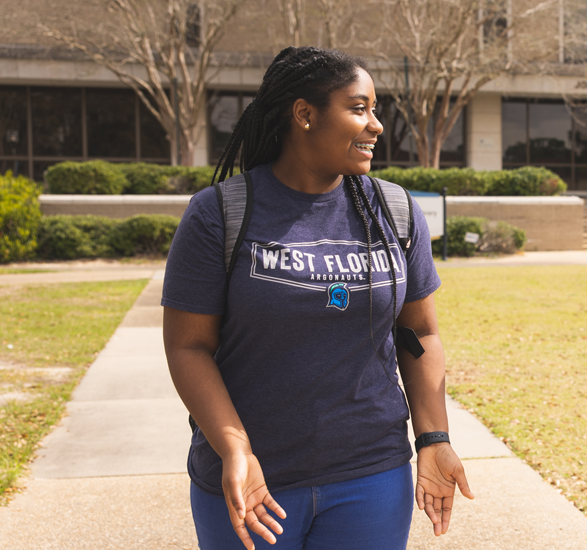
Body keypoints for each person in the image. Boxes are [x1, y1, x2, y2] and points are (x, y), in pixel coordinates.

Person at [162, 47, 471, 550]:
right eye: (358, 108)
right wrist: (235, 451)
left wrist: (434, 438)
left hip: (370, 477)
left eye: (375, 111)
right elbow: (188, 347)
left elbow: (420, 333)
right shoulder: (219, 213)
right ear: (304, 114)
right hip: (253, 480)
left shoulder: (393, 210)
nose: (376, 126)